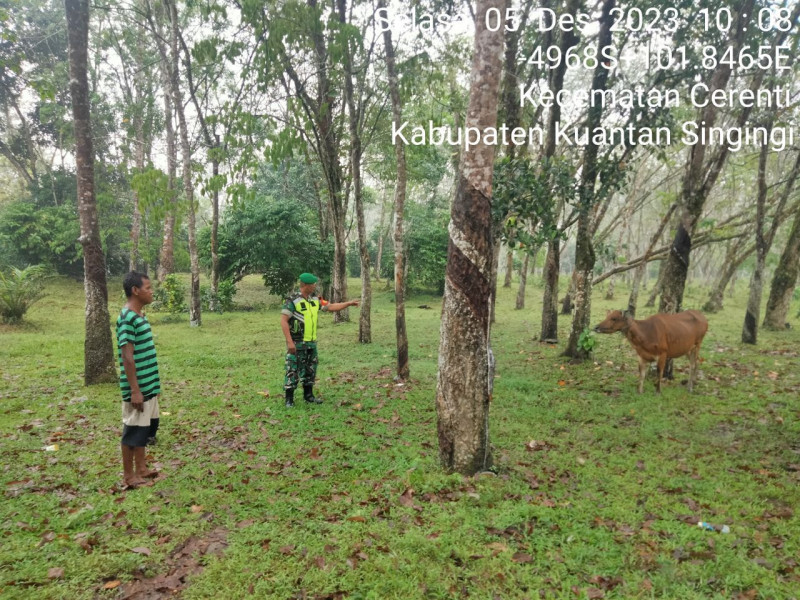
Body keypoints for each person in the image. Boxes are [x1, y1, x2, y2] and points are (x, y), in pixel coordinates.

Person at [280, 273, 359, 407]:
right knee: (293, 369)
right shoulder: (292, 300)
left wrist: (348, 304)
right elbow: (283, 321)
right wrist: (289, 342)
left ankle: (309, 395)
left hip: (311, 343)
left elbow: (330, 307)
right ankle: (289, 399)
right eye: (313, 284)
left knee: (310, 370)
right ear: (305, 285)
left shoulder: (315, 300)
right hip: (297, 342)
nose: (315, 286)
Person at [116, 271, 161, 488]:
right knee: (133, 430)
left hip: (148, 385)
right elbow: (127, 355)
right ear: (135, 290)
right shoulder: (127, 318)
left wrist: (152, 385)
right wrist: (135, 390)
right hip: (137, 387)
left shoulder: (139, 316)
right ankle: (128, 476)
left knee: (145, 428)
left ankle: (141, 468)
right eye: (148, 288)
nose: (151, 292)